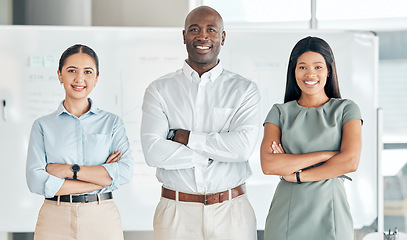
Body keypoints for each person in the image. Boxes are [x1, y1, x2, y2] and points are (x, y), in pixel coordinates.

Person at [140, 6, 260, 240]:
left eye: (211, 30)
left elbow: (242, 148)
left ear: (222, 37)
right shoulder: (159, 90)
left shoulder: (244, 90)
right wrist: (217, 153)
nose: (202, 36)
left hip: (232, 211)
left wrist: (186, 138)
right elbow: (154, 153)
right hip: (176, 212)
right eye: (194, 29)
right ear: (183, 36)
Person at [26, 44, 134, 240]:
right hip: (54, 217)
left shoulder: (112, 123)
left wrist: (69, 171)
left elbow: (124, 172)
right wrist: (100, 178)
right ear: (60, 75)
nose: (79, 79)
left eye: (87, 72)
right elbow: (36, 181)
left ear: (96, 78)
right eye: (71, 71)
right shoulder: (42, 126)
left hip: (102, 217)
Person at [260, 36, 363, 240]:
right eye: (302, 67)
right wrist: (326, 155)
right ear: (294, 71)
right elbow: (269, 164)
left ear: (328, 70)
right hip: (286, 214)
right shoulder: (279, 113)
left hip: (331, 212)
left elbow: (350, 161)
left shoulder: (346, 110)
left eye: (318, 67)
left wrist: (296, 174)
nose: (310, 74)